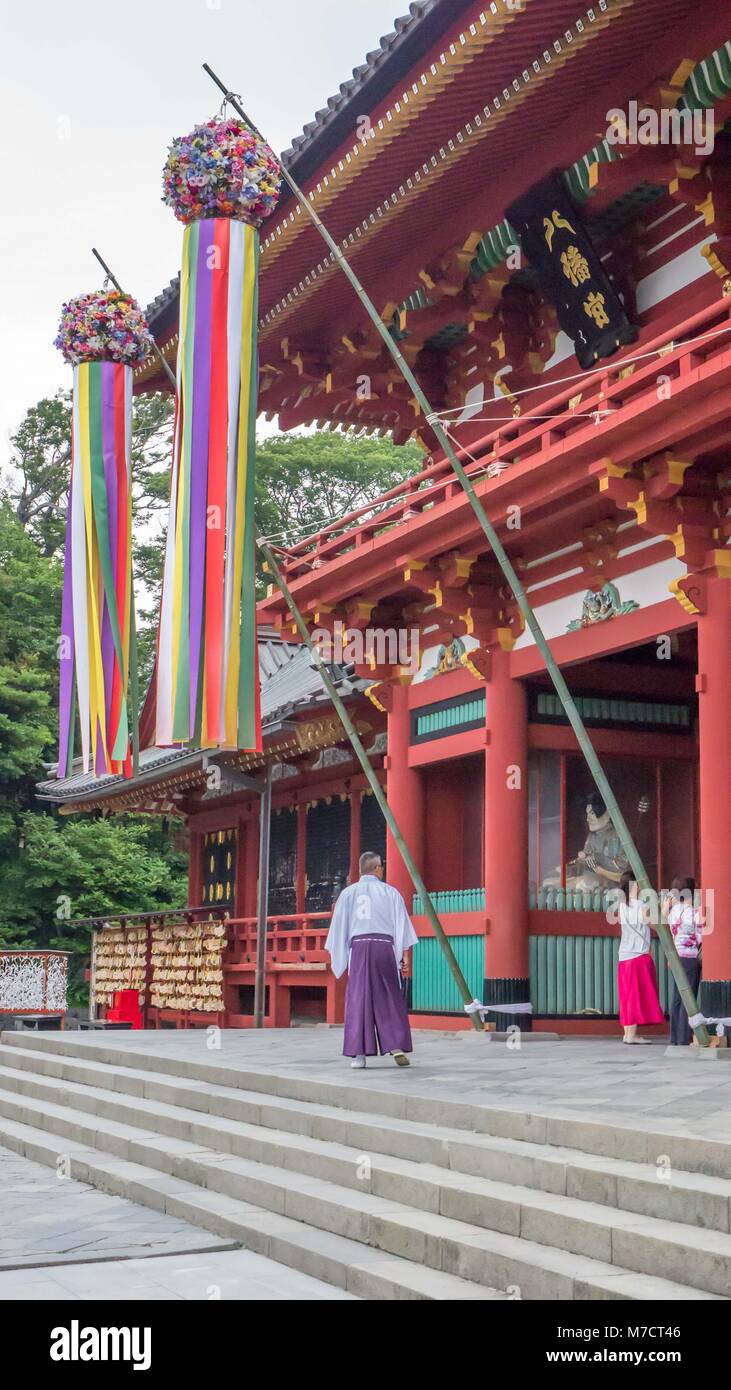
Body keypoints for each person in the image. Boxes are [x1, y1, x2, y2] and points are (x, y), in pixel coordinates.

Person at [325, 850, 417, 1069]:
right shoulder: (390, 892)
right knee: (389, 996)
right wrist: (403, 955)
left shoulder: (348, 894)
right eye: (381, 867)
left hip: (359, 947)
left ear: (360, 870)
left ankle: (359, 1055)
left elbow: (339, 928)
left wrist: (342, 955)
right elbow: (402, 925)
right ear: (377, 868)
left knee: (359, 998)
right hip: (384, 946)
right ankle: (396, 1046)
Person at [616, 871, 664, 1043]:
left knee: (627, 995)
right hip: (639, 955)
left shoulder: (621, 906)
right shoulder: (639, 906)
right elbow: (655, 924)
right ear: (635, 885)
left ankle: (628, 1033)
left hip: (624, 956)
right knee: (636, 995)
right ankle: (632, 1034)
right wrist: (663, 908)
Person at [664, 876, 703, 1046]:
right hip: (690, 958)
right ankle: (684, 1036)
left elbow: (660, 919)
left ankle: (675, 1036)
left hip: (676, 957)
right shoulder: (694, 913)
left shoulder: (673, 912)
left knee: (677, 998)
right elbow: (701, 937)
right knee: (689, 998)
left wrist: (666, 905)